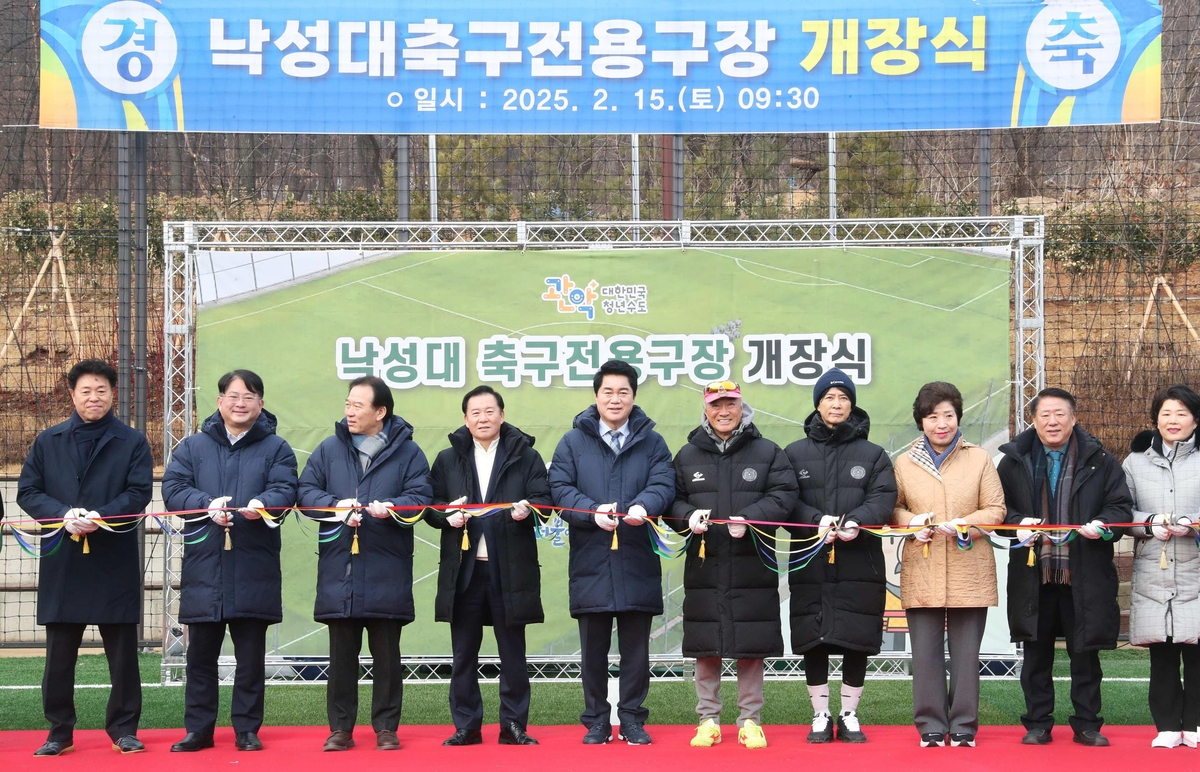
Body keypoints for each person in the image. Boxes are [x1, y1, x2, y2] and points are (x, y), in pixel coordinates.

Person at [16, 359, 153, 756]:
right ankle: (59, 732)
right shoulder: (49, 440)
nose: (94, 398)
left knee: (123, 652)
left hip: (113, 555)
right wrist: (62, 514)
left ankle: (124, 729)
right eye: (86, 391)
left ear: (113, 394)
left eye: (102, 390)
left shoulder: (132, 441)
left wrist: (101, 517)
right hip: (64, 558)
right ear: (72, 394)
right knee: (59, 653)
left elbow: (139, 492)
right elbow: (28, 491)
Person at [161, 369, 298, 753]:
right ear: (220, 401)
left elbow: (285, 489)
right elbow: (173, 489)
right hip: (205, 567)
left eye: (250, 397)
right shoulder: (193, 447)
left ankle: (247, 730)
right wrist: (205, 506)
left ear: (261, 404)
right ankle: (199, 730)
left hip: (254, 568)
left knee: (250, 659)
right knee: (200, 659)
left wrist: (263, 506)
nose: (241, 403)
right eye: (234, 396)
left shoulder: (276, 448)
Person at [297, 375, 433, 752]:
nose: (349, 411)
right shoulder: (328, 449)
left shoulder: (409, 453)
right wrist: (336, 507)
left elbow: (421, 496)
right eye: (347, 403)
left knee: (387, 656)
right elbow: (306, 493)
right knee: (341, 655)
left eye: (358, 405)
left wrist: (392, 509)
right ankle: (340, 728)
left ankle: (386, 728)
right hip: (341, 567)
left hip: (386, 567)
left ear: (381, 411)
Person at [550, 359, 674, 746]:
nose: (615, 399)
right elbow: (559, 488)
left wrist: (644, 505)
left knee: (636, 651)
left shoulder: (652, 441)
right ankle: (597, 721)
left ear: (634, 397)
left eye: (623, 391)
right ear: (596, 395)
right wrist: (592, 512)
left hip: (636, 557)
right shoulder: (573, 441)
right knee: (594, 652)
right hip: (591, 558)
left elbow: (664, 482)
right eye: (608, 391)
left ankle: (633, 719)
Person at [999, 387, 1133, 747]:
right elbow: (999, 511)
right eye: (1045, 414)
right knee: (1036, 654)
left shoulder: (1101, 460)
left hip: (1084, 573)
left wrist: (1103, 522)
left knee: (1085, 655)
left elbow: (1121, 508)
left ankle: (1088, 724)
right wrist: (1018, 521)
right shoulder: (1013, 461)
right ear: (1034, 420)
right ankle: (1038, 723)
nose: (1052, 421)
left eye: (1060, 414)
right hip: (1034, 573)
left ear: (1074, 418)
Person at [671, 381, 797, 749]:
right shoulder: (687, 455)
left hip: (752, 564)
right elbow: (672, 500)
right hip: (704, 566)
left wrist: (752, 518)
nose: (723, 411)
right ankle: (707, 719)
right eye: (716, 404)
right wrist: (687, 516)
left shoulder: (768, 451)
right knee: (706, 642)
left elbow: (785, 494)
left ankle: (750, 720)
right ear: (705, 409)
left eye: (730, 403)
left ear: (743, 407)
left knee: (750, 643)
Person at [426, 385, 551, 747]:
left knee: (513, 651)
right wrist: (445, 515)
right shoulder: (448, 459)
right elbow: (430, 505)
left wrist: (528, 510)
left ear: (502, 414)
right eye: (475, 413)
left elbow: (545, 500)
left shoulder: (526, 457)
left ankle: (513, 725)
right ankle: (467, 725)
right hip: (464, 569)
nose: (483, 418)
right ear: (465, 419)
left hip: (509, 568)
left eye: (489, 411)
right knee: (464, 652)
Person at [785, 367, 896, 744]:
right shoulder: (793, 454)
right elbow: (785, 501)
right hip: (809, 559)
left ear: (853, 405)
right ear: (818, 403)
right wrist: (815, 520)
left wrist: (857, 522)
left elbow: (883, 498)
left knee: (855, 637)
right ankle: (820, 715)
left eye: (844, 398)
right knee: (813, 636)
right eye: (829, 397)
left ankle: (849, 713)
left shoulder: (874, 454)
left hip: (858, 559)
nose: (837, 404)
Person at [891, 382, 1006, 748]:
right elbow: (893, 508)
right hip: (922, 566)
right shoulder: (904, 462)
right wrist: (912, 524)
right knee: (924, 654)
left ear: (958, 417)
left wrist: (966, 525)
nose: (941, 423)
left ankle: (963, 726)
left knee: (966, 654)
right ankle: (930, 726)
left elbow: (996, 508)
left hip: (968, 566)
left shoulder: (979, 458)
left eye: (948, 415)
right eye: (932, 416)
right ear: (920, 421)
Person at [1122, 384, 1200, 749]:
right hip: (1155, 568)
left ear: (1195, 419)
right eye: (1166, 413)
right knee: (1162, 651)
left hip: (1196, 566)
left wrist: (1193, 522)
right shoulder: (1136, 461)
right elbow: (1122, 513)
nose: (1173, 420)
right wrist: (1148, 522)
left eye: (1181, 413)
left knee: (1198, 652)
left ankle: (1195, 725)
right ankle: (1167, 726)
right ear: (1155, 418)